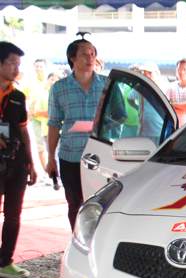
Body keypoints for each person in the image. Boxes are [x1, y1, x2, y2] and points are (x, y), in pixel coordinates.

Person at [46, 36, 107, 230]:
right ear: (72, 58)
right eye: (84, 54)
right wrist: (50, 157)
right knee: (74, 204)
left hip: (101, 156)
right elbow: (53, 124)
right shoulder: (59, 88)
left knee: (101, 204)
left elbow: (119, 116)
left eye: (93, 54)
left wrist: (100, 125)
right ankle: (77, 240)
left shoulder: (107, 85)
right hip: (70, 156)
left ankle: (99, 241)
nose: (90, 58)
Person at [0, 42, 37, 278]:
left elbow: (23, 130)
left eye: (18, 64)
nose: (16, 68)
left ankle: (5, 261)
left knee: (13, 215)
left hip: (17, 162)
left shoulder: (17, 96)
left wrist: (31, 163)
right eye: (12, 63)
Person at [165, 58, 186, 126]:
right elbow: (165, 106)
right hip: (173, 127)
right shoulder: (170, 87)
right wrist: (183, 107)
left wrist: (172, 104)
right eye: (179, 70)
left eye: (185, 70)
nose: (181, 72)